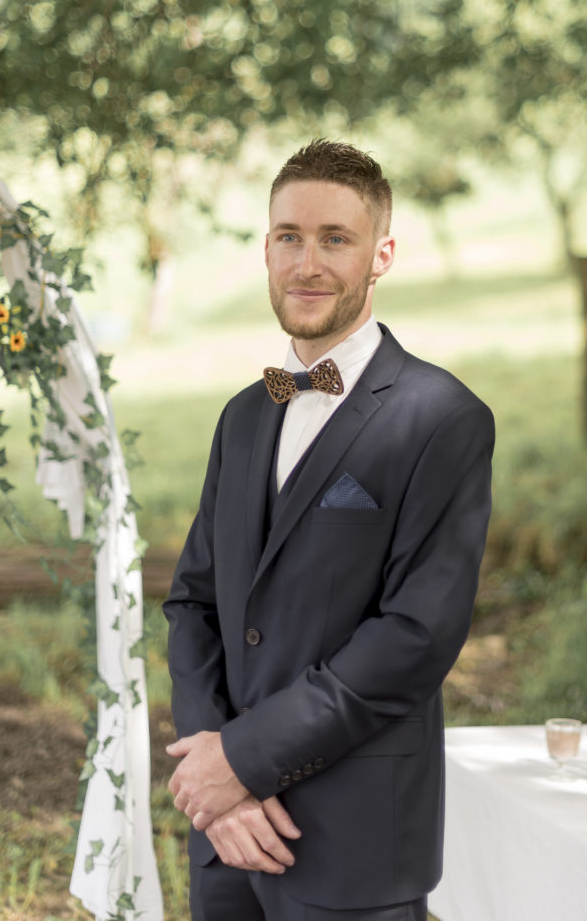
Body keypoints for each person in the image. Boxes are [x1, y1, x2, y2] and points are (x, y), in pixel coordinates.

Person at [163, 139, 495, 921]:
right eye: (289, 237)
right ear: (266, 249)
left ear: (381, 255)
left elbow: (414, 637)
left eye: (334, 239)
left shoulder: (443, 419)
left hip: (355, 845)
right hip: (227, 840)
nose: (307, 263)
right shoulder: (244, 416)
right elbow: (193, 604)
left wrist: (242, 762)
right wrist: (220, 783)